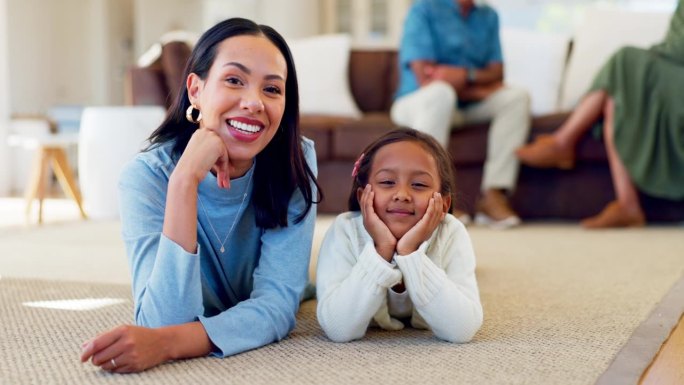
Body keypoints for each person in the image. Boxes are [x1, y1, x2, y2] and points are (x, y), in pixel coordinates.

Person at [80, 18, 321, 373]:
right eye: (234, 81)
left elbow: (277, 308)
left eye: (272, 89)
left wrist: (168, 344)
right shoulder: (146, 177)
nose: (254, 103)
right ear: (195, 89)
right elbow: (162, 319)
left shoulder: (295, 160)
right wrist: (184, 182)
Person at [516, 0, 684, 228]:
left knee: (625, 61)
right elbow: (672, 46)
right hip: (671, 75)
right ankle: (628, 205)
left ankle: (563, 142)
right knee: (617, 96)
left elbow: (677, 49)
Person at [316, 128, 483, 343]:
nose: (402, 195)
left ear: (444, 204)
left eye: (419, 185)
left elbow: (462, 329)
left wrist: (410, 253)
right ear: (362, 195)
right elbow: (338, 328)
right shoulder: (345, 231)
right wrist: (381, 250)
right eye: (387, 182)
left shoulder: (452, 232)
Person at [390, 0, 531, 229]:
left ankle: (493, 194)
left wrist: (466, 75)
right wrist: (482, 85)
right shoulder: (423, 9)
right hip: (418, 101)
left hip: (465, 105)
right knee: (441, 93)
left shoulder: (489, 16)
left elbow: (497, 72)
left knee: (516, 97)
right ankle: (435, 197)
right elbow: (426, 78)